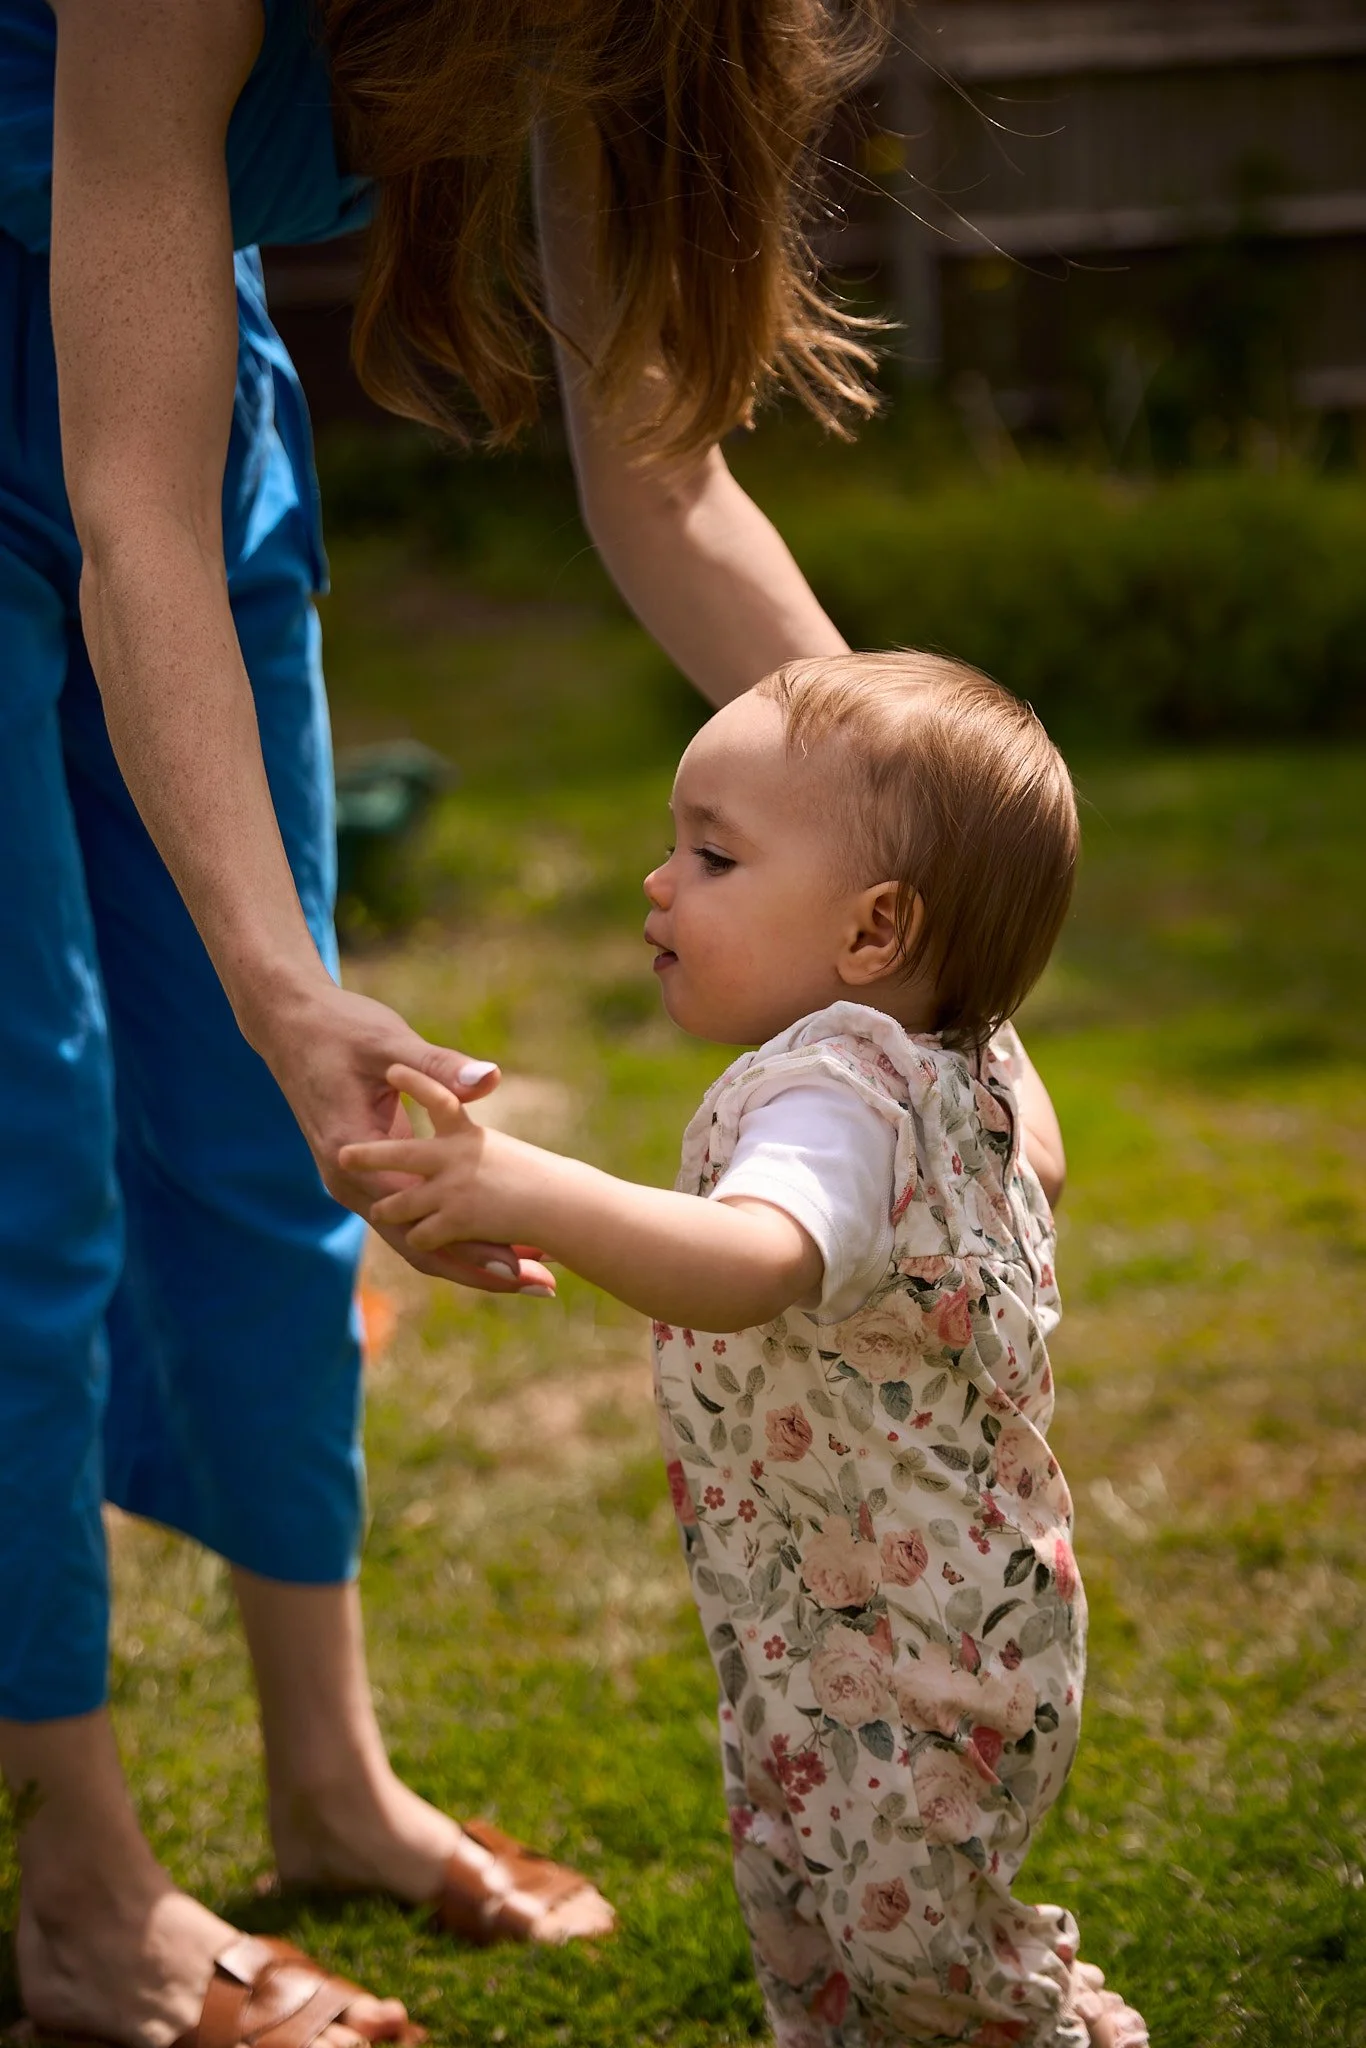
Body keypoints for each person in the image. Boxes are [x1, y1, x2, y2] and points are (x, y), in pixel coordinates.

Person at [0, 0, 892, 2043]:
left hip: (179, 409)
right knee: (25, 1155)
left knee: (282, 1146)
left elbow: (664, 489)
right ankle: (71, 1877)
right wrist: (274, 978)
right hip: (123, 436)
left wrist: (923, 886)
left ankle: (330, 1782)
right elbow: (125, 510)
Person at [339, 653, 1151, 2048]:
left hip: (912, 1646)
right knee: (814, 1891)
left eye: (711, 855)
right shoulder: (961, 1068)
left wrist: (533, 1190)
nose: (658, 881)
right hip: (861, 1613)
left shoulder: (833, 1104)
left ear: (873, 929)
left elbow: (751, 1262)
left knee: (913, 1942)